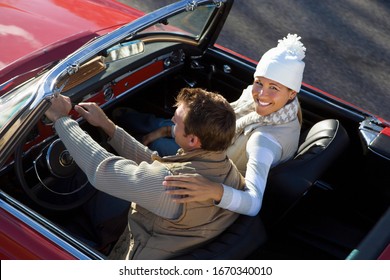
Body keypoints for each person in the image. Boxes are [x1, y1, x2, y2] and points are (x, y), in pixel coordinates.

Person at [116, 33, 306, 216]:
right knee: (167, 122)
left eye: (274, 88)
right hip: (214, 140)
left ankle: (117, 135)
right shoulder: (278, 107)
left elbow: (253, 203)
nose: (261, 94)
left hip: (211, 167)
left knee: (158, 143)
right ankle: (121, 117)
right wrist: (168, 129)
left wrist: (215, 190)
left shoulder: (263, 142)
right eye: (259, 83)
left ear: (292, 93)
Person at [44, 87, 245, 260]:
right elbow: (157, 163)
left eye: (176, 123)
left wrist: (62, 119)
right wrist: (108, 127)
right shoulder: (226, 169)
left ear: (193, 140)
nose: (172, 120)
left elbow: (103, 171)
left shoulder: (174, 188)